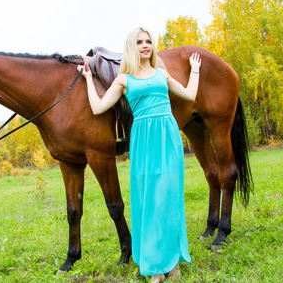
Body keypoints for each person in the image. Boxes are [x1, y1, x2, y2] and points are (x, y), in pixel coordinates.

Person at [78, 27, 201, 282]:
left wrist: (195, 70)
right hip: (143, 142)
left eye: (149, 41)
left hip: (168, 139)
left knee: (169, 198)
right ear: (131, 47)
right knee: (148, 201)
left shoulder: (162, 74)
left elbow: (189, 95)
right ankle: (155, 265)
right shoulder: (123, 79)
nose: (145, 45)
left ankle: (173, 261)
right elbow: (98, 107)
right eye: (139, 42)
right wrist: (89, 79)